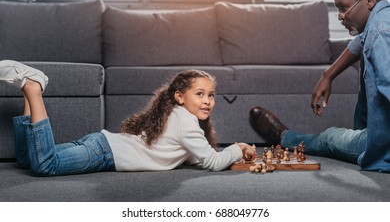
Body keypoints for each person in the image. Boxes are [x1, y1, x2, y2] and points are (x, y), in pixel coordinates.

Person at [0, 60, 256, 176]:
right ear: (179, 97)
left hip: (102, 145)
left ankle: (27, 90)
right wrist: (238, 148)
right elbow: (212, 162)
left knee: (28, 158)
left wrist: (226, 157)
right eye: (199, 94)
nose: (207, 101)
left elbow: (194, 157)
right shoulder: (187, 123)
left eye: (211, 95)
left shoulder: (177, 115)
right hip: (104, 153)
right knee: (45, 164)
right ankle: (33, 89)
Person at [249, 0, 390, 172]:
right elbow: (360, 42)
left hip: (383, 144)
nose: (340, 16)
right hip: (379, 131)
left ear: (369, 0)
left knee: (329, 138)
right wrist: (328, 75)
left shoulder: (381, 33)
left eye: (344, 7)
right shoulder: (381, 21)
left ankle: (285, 136)